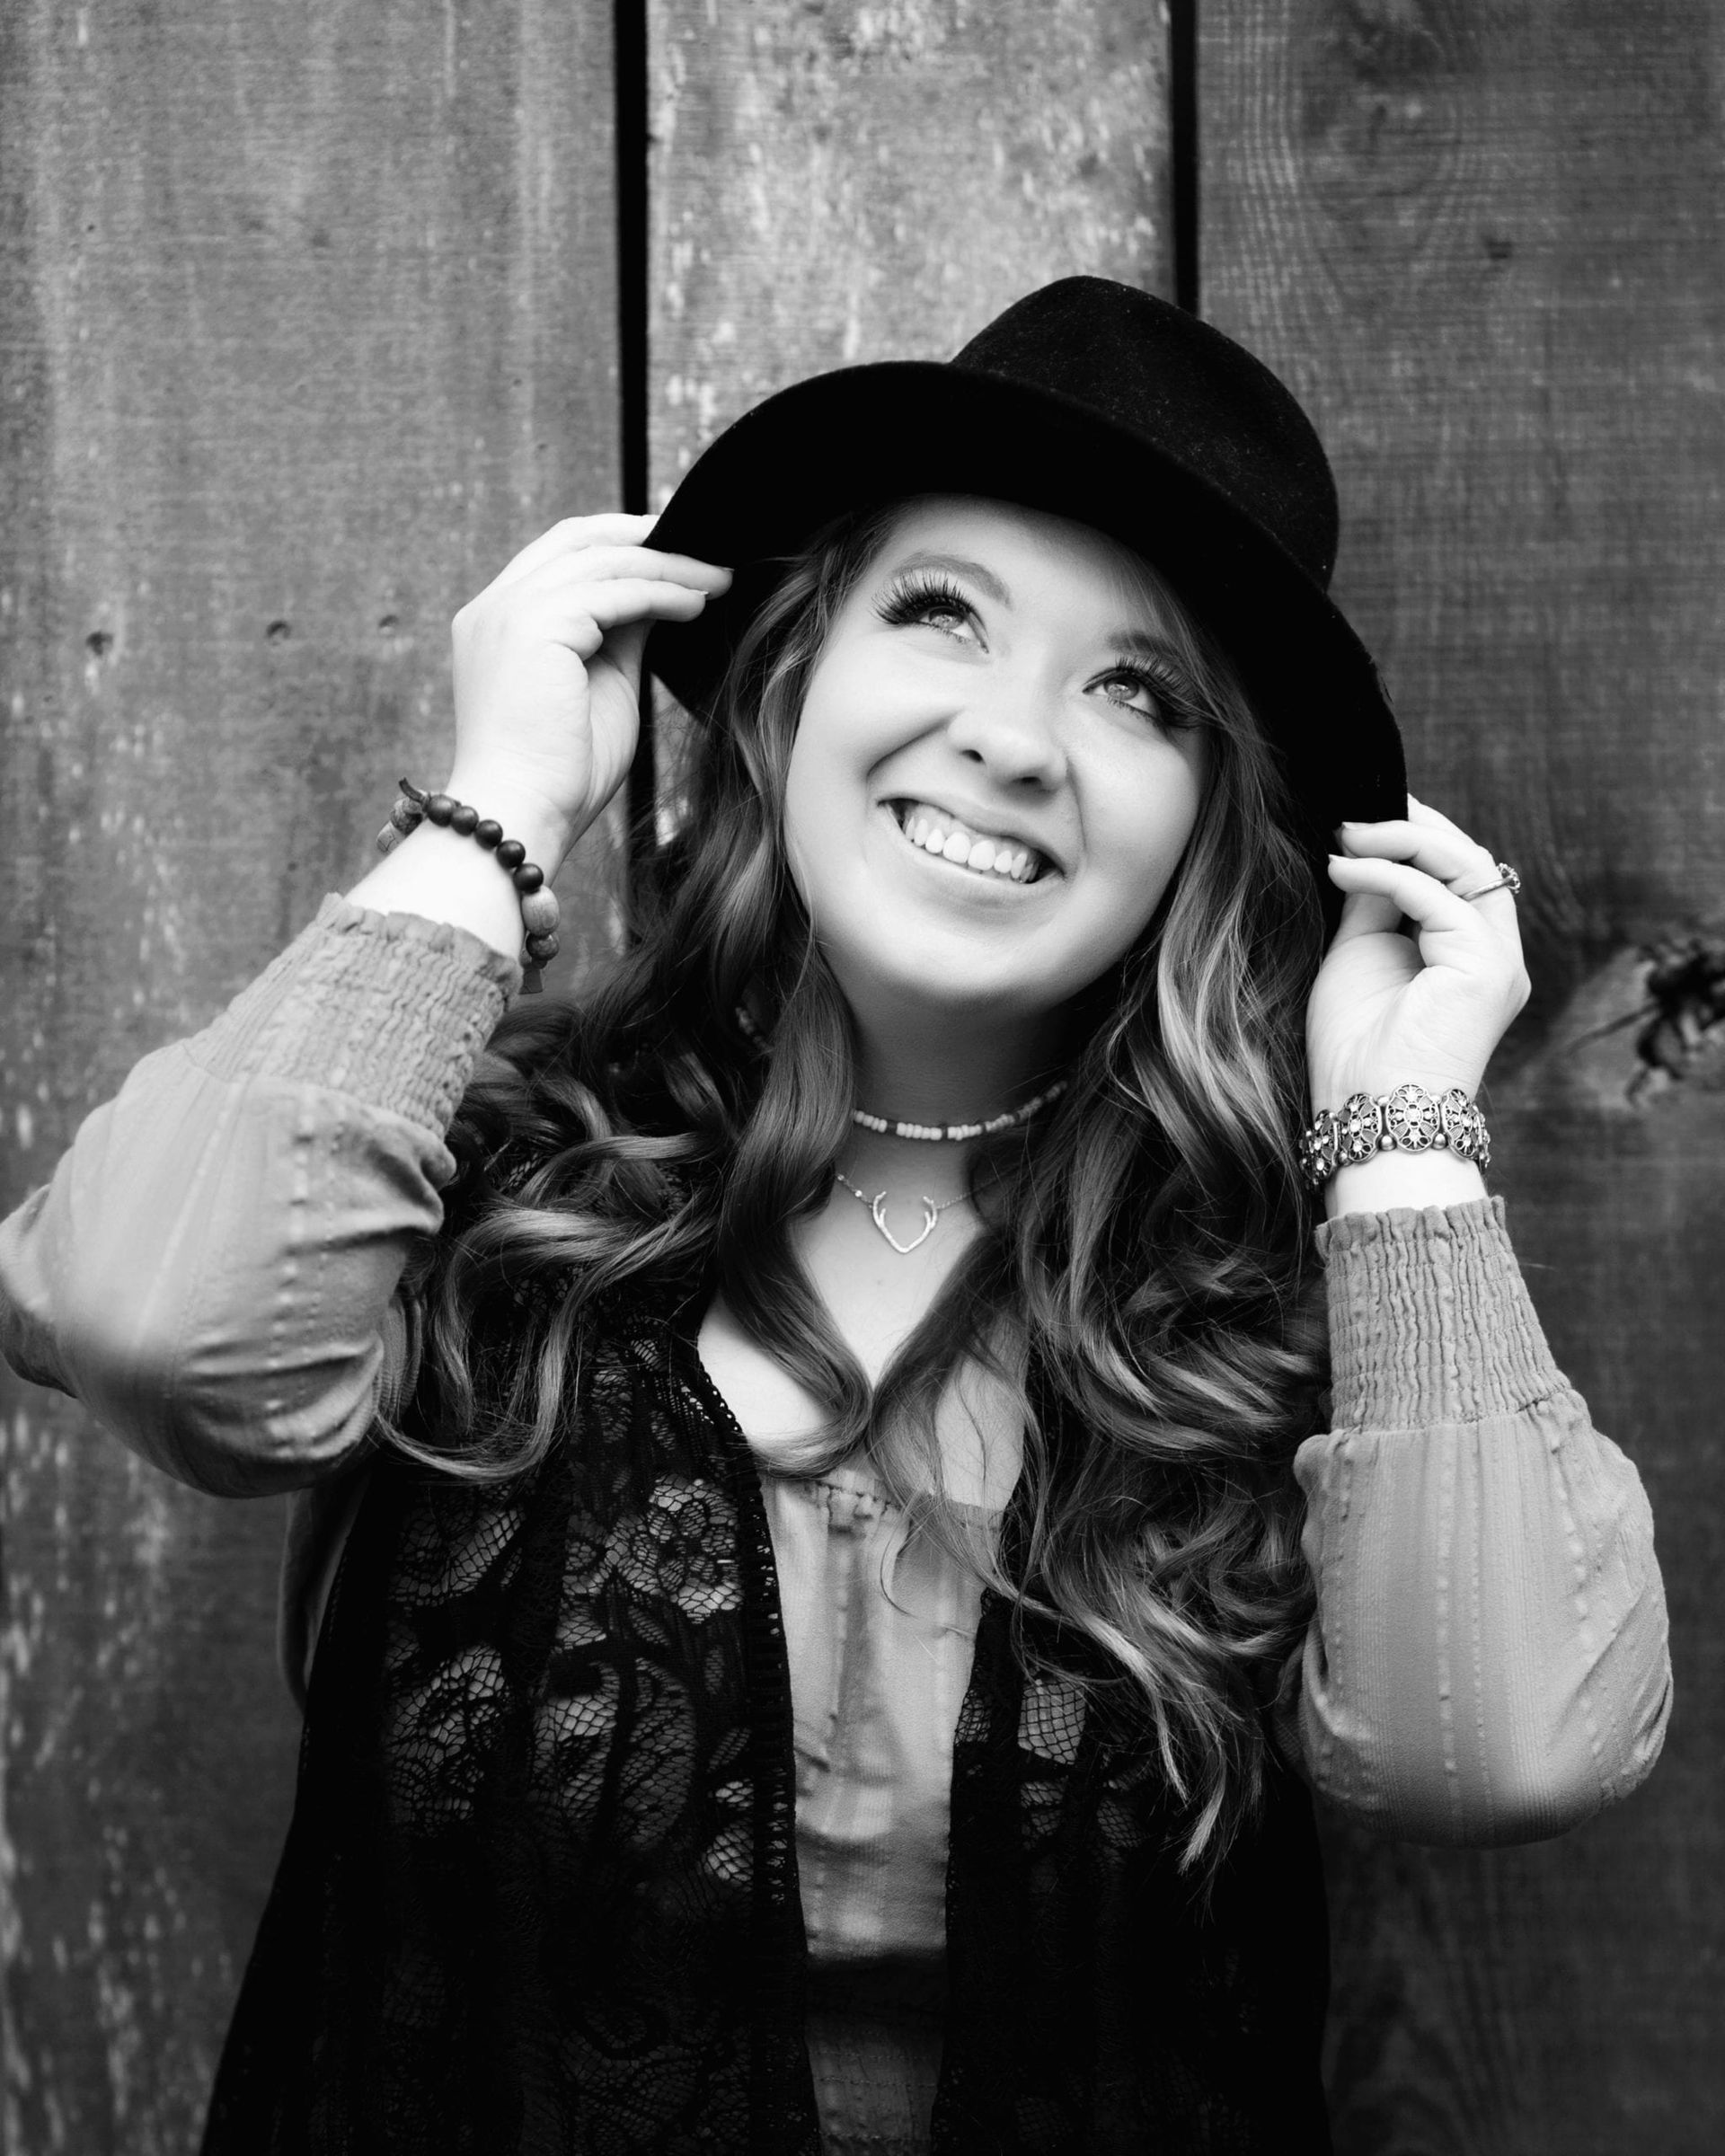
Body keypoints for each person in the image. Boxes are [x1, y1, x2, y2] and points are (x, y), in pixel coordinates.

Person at [0, 278, 1670, 2155]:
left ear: (1211, 824)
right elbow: (152, 1325)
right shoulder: (483, 1175)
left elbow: (1499, 1742)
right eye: (942, 613)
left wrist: (1401, 1123)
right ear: (788, 688)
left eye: (1141, 695)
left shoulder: (1284, 1307)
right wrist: (497, 808)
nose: (1018, 740)